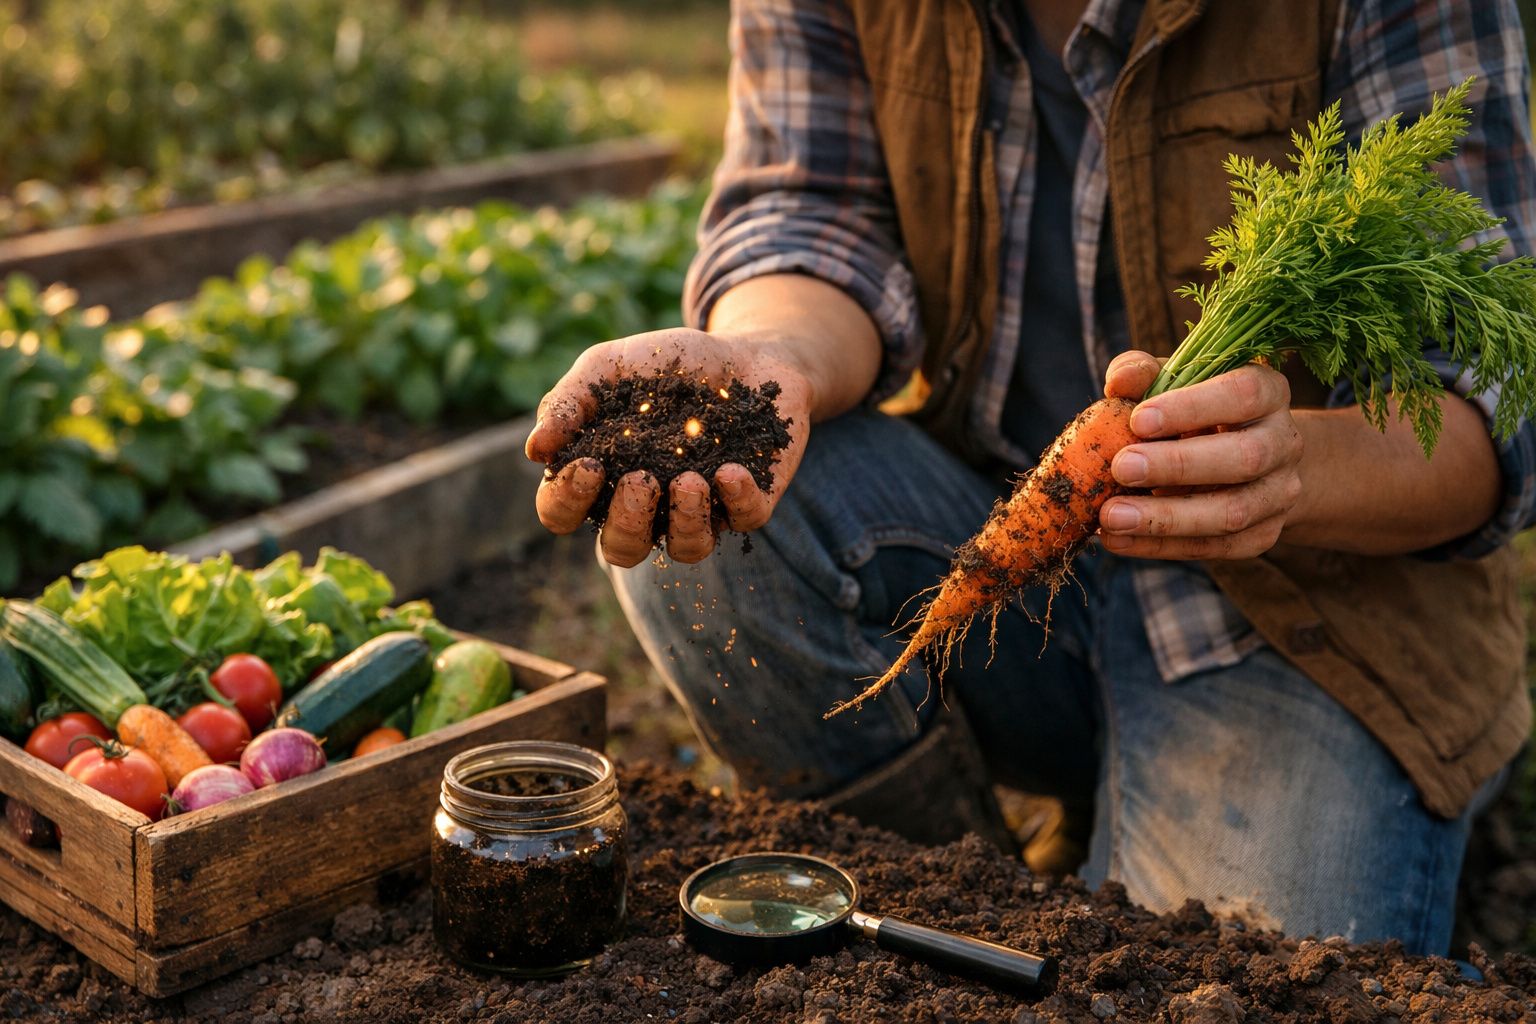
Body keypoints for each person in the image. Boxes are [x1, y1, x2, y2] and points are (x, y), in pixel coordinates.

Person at [524, 0, 1536, 955]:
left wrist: (1288, 470)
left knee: (1222, 982)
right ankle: (970, 895)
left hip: (1310, 610)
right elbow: (808, 212)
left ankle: (1143, 828)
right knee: (708, 522)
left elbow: (1490, 398)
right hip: (1010, 541)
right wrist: (772, 359)